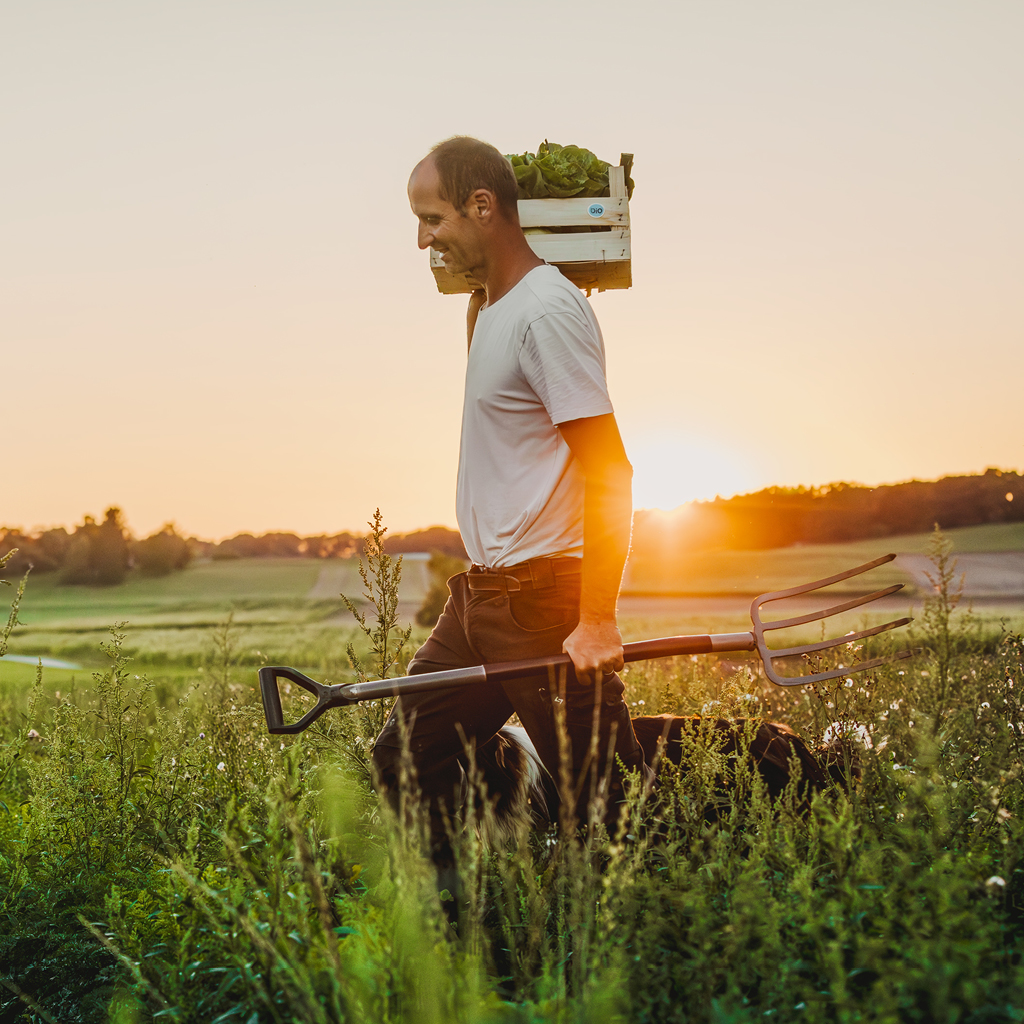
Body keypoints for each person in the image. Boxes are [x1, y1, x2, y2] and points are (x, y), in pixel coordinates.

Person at [371, 136, 647, 874]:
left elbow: (610, 471)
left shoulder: (545, 313)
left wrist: (596, 620)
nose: (423, 239)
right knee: (406, 755)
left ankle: (620, 943)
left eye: (433, 219)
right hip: (480, 601)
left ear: (483, 207)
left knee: (604, 810)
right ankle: (472, 918)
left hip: (545, 603)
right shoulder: (491, 310)